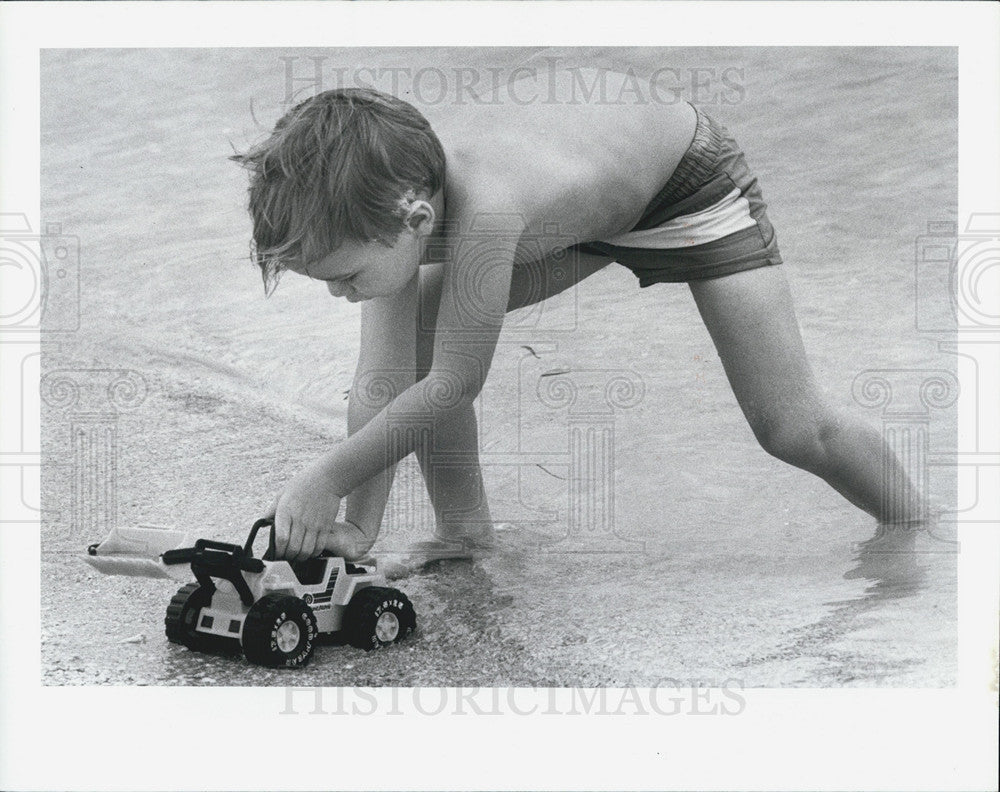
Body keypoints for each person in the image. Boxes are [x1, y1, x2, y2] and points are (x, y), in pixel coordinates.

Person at [231, 71, 928, 564]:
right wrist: (359, 523)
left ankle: (917, 524)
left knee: (791, 426)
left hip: (685, 185)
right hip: (582, 206)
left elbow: (452, 384)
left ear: (415, 219)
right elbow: (380, 382)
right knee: (422, 324)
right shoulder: (388, 204)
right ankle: (465, 533)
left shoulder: (484, 207)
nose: (338, 295)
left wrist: (324, 478)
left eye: (345, 277)